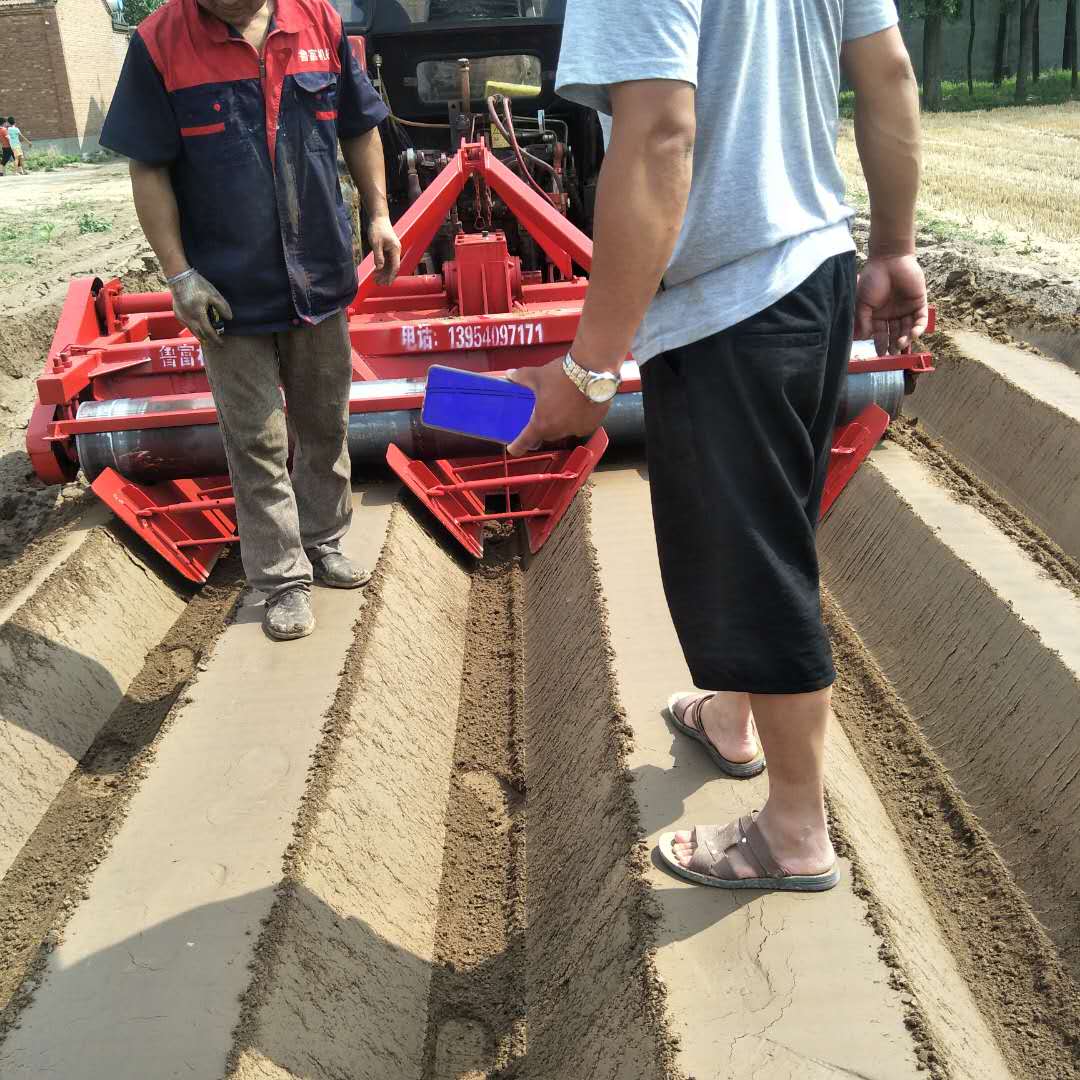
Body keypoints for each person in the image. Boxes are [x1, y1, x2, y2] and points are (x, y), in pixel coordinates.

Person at [508, 0, 927, 890]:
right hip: (816, 271)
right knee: (774, 524)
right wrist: (894, 246)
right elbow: (889, 71)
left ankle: (794, 831)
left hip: (729, 306)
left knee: (752, 563)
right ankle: (731, 717)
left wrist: (589, 372)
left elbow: (660, 134)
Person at [99, 0, 401, 642]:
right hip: (226, 292)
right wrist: (179, 276)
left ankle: (323, 540)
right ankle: (283, 579)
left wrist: (378, 214)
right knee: (256, 440)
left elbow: (359, 128)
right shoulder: (160, 42)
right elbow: (148, 168)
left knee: (325, 423)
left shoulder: (318, 20)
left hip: (317, 272)